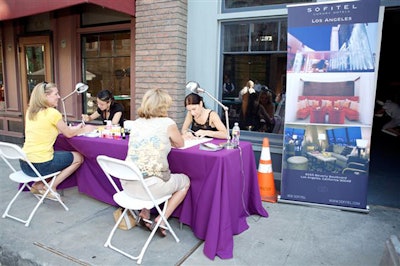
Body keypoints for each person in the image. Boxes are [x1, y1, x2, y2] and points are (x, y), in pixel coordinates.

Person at [122, 88, 190, 237]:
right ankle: (162, 219)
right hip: (150, 188)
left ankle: (144, 214)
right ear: (163, 106)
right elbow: (180, 144)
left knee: (145, 172)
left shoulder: (136, 123)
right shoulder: (167, 123)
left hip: (127, 186)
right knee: (185, 181)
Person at [20, 82, 97, 200]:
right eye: (56, 94)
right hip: (40, 165)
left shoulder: (30, 111)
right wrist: (86, 129)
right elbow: (68, 134)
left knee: (55, 155)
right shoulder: (52, 113)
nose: (59, 97)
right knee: (78, 158)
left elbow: (49, 129)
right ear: (45, 96)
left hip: (25, 164)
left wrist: (75, 129)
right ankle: (50, 186)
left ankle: (39, 185)